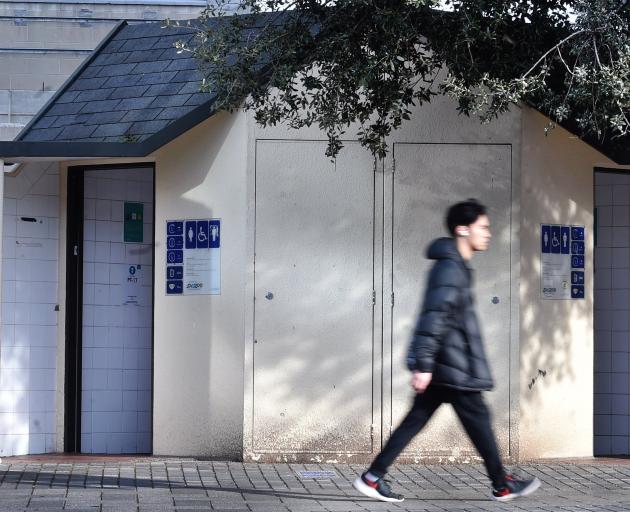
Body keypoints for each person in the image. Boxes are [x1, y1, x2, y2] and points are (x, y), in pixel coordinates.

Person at [353, 199, 540, 503]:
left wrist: (427, 364)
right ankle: (501, 485)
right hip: (452, 367)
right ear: (462, 230)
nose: (488, 233)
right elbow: (434, 317)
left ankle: (372, 477)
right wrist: (424, 364)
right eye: (483, 227)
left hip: (447, 366)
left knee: (417, 420)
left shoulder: (456, 267)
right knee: (478, 422)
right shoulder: (451, 269)